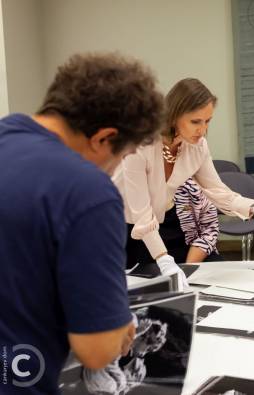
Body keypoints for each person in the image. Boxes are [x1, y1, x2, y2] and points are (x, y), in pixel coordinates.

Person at [0, 52, 164, 394]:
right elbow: (97, 351)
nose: (115, 167)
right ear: (104, 138)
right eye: (121, 156)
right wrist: (120, 325)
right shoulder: (87, 191)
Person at [114, 78, 254, 289]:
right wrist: (164, 259)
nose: (203, 130)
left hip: (158, 221)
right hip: (121, 225)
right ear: (174, 116)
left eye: (208, 121)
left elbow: (216, 190)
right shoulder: (139, 144)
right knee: (139, 292)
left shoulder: (197, 146)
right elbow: (141, 215)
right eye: (196, 121)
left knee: (188, 281)